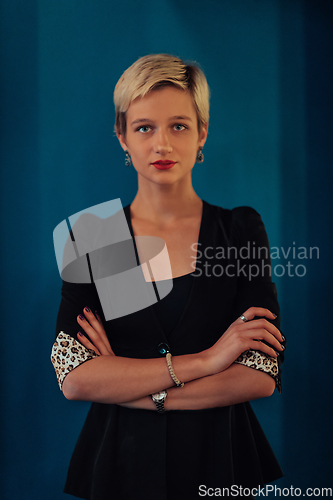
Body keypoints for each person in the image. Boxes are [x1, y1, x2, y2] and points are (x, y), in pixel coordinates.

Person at [51, 54, 286, 500]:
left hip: (222, 464)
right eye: (144, 127)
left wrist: (131, 386)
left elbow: (261, 371)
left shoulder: (239, 229)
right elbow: (74, 375)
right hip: (119, 466)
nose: (162, 144)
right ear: (121, 136)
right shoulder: (96, 237)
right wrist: (209, 361)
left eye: (178, 125)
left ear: (202, 133)